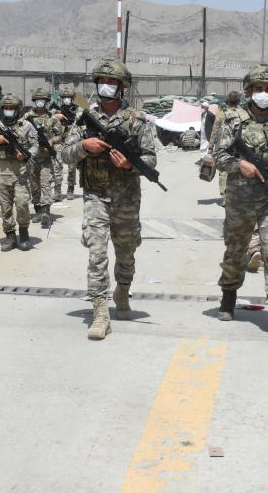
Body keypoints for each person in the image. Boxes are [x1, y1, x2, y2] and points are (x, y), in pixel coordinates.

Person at [61, 60, 156, 340]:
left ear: (122, 87)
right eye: (102, 81)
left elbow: (150, 159)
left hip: (126, 198)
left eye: (112, 82)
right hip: (95, 196)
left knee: (126, 252)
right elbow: (64, 154)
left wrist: (130, 164)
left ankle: (123, 290)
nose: (106, 86)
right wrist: (83, 146)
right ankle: (100, 312)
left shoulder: (138, 120)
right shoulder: (83, 118)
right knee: (97, 253)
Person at [213, 64, 268, 339]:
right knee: (235, 250)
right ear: (248, 91)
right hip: (239, 198)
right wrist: (240, 164)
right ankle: (228, 295)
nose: (264, 93)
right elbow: (218, 155)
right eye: (258, 89)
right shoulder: (233, 120)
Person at [0, 93, 39, 252]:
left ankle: (24, 235)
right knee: (5, 206)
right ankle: (10, 236)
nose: (8, 111)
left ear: (18, 109)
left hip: (21, 171)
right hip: (2, 171)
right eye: (6, 108)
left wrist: (26, 154)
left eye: (12, 108)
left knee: (21, 204)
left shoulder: (26, 126)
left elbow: (36, 145)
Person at [23, 87, 65, 226]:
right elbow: (20, 133)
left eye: (43, 100)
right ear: (35, 101)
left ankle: (46, 211)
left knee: (45, 183)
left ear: (46, 101)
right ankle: (38, 211)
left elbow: (60, 134)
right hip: (32, 157)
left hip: (46, 158)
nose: (40, 102)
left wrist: (51, 142)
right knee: (34, 186)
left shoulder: (52, 118)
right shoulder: (26, 117)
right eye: (38, 100)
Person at [207, 91, 241, 205]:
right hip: (238, 146)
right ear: (238, 100)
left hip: (223, 145)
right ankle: (235, 195)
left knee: (223, 171)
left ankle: (225, 196)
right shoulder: (242, 112)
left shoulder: (222, 112)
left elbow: (215, 129)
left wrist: (211, 146)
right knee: (238, 169)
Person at [52, 85, 80, 200]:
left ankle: (70, 189)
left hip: (72, 141)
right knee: (57, 166)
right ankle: (57, 190)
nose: (66, 99)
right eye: (64, 97)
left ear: (73, 98)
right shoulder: (56, 110)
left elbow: (86, 118)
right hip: (59, 141)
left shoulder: (78, 109)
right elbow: (45, 119)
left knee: (72, 167)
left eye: (69, 97)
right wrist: (55, 116)